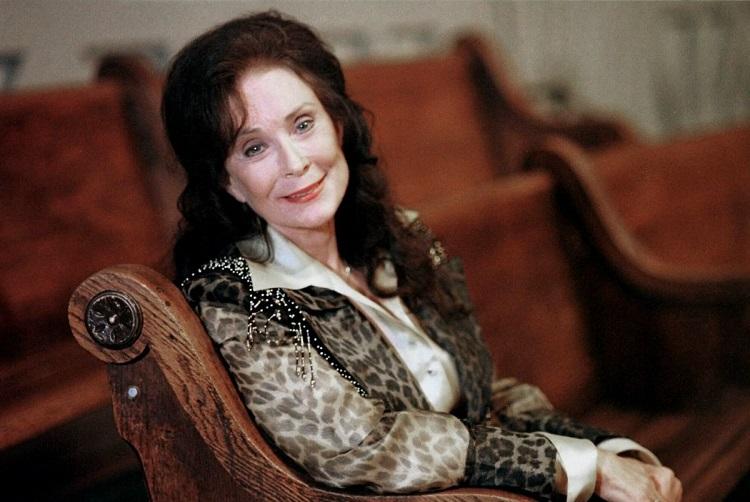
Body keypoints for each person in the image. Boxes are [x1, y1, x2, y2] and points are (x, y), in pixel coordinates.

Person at [163, 10, 682, 502]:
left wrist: (612, 451)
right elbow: (365, 447)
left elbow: (488, 396)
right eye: (254, 148)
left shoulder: (398, 237)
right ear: (227, 180)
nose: (295, 162)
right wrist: (583, 468)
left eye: (303, 124)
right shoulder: (239, 300)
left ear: (337, 125)